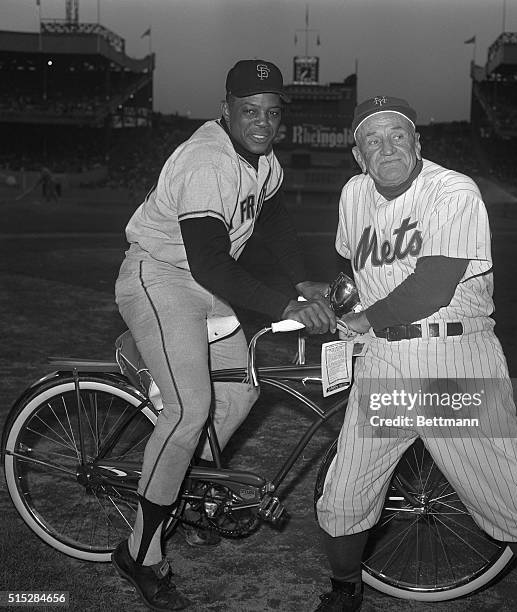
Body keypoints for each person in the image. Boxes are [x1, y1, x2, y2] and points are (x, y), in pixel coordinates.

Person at [314, 96, 517, 611]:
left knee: (507, 497)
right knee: (344, 494)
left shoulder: (453, 190)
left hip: (452, 363)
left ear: (417, 144)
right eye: (372, 140)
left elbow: (432, 286)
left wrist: (364, 317)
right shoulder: (354, 194)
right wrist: (337, 300)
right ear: (358, 155)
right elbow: (359, 271)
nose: (386, 148)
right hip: (385, 365)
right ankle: (345, 589)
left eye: (397, 136)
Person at [112, 59, 336, 611]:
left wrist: (301, 276)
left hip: (203, 283)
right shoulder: (207, 161)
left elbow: (276, 218)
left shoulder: (262, 160)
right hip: (160, 277)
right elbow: (211, 263)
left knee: (241, 388)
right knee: (188, 413)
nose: (263, 122)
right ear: (226, 110)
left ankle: (187, 494)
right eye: (250, 111)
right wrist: (287, 302)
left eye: (272, 112)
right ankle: (139, 553)